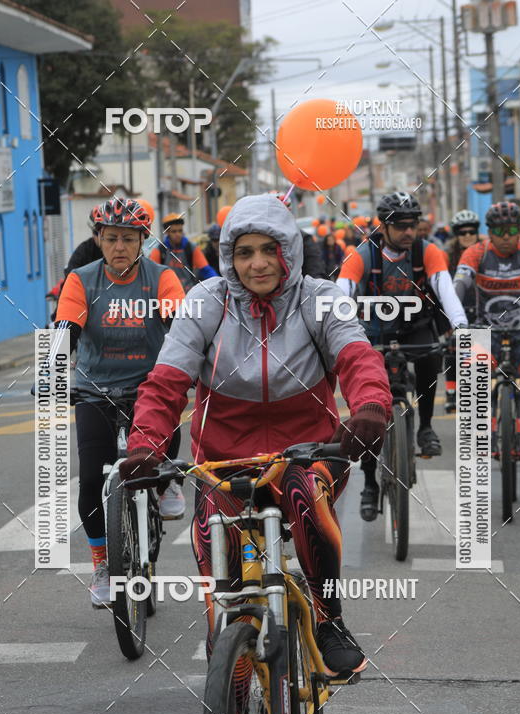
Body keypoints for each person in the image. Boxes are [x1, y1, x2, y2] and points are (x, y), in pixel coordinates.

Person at [119, 194, 392, 677]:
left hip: (308, 454)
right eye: (244, 252)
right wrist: (145, 444)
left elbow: (358, 359)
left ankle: (329, 619)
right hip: (223, 461)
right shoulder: (206, 302)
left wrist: (369, 409)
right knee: (212, 548)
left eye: (270, 249)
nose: (258, 263)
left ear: (289, 250)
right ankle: (227, 642)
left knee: (304, 492)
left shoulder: (321, 298)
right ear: (228, 256)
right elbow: (165, 385)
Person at [53, 198, 186, 607]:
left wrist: (193, 367)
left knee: (167, 410)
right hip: (95, 389)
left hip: (149, 386)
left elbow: (180, 328)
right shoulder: (81, 279)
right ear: (98, 239)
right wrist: (52, 376)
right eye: (110, 238)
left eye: (129, 238)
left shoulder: (161, 277)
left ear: (143, 240)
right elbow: (64, 332)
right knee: (92, 478)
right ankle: (102, 566)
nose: (119, 247)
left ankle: (166, 481)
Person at [336, 190, 468, 521]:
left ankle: (425, 426)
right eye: (401, 226)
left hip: (415, 326)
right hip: (374, 331)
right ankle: (369, 484)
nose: (409, 231)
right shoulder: (363, 254)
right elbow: (341, 294)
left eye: (413, 224)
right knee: (369, 408)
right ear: (384, 226)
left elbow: (446, 290)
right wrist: (333, 329)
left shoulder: (428, 251)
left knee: (431, 355)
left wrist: (462, 327)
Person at [454, 200, 520, 467]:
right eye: (499, 231)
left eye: (512, 230)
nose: (506, 237)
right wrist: (454, 318)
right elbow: (459, 283)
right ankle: (482, 431)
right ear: (489, 232)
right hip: (485, 331)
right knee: (473, 386)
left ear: (519, 230)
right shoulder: (476, 252)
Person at [443, 210, 481, 412]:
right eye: (462, 232)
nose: (467, 235)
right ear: (456, 235)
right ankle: (451, 392)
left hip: (483, 309)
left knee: (479, 354)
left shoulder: (487, 253)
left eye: (471, 231)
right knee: (453, 350)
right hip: (456, 309)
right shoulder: (447, 257)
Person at [150, 212, 217, 291]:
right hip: (168, 295)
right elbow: (151, 275)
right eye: (174, 231)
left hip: (188, 294)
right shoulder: (159, 251)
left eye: (180, 231)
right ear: (167, 232)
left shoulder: (191, 248)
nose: (178, 234)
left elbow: (206, 270)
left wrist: (217, 283)